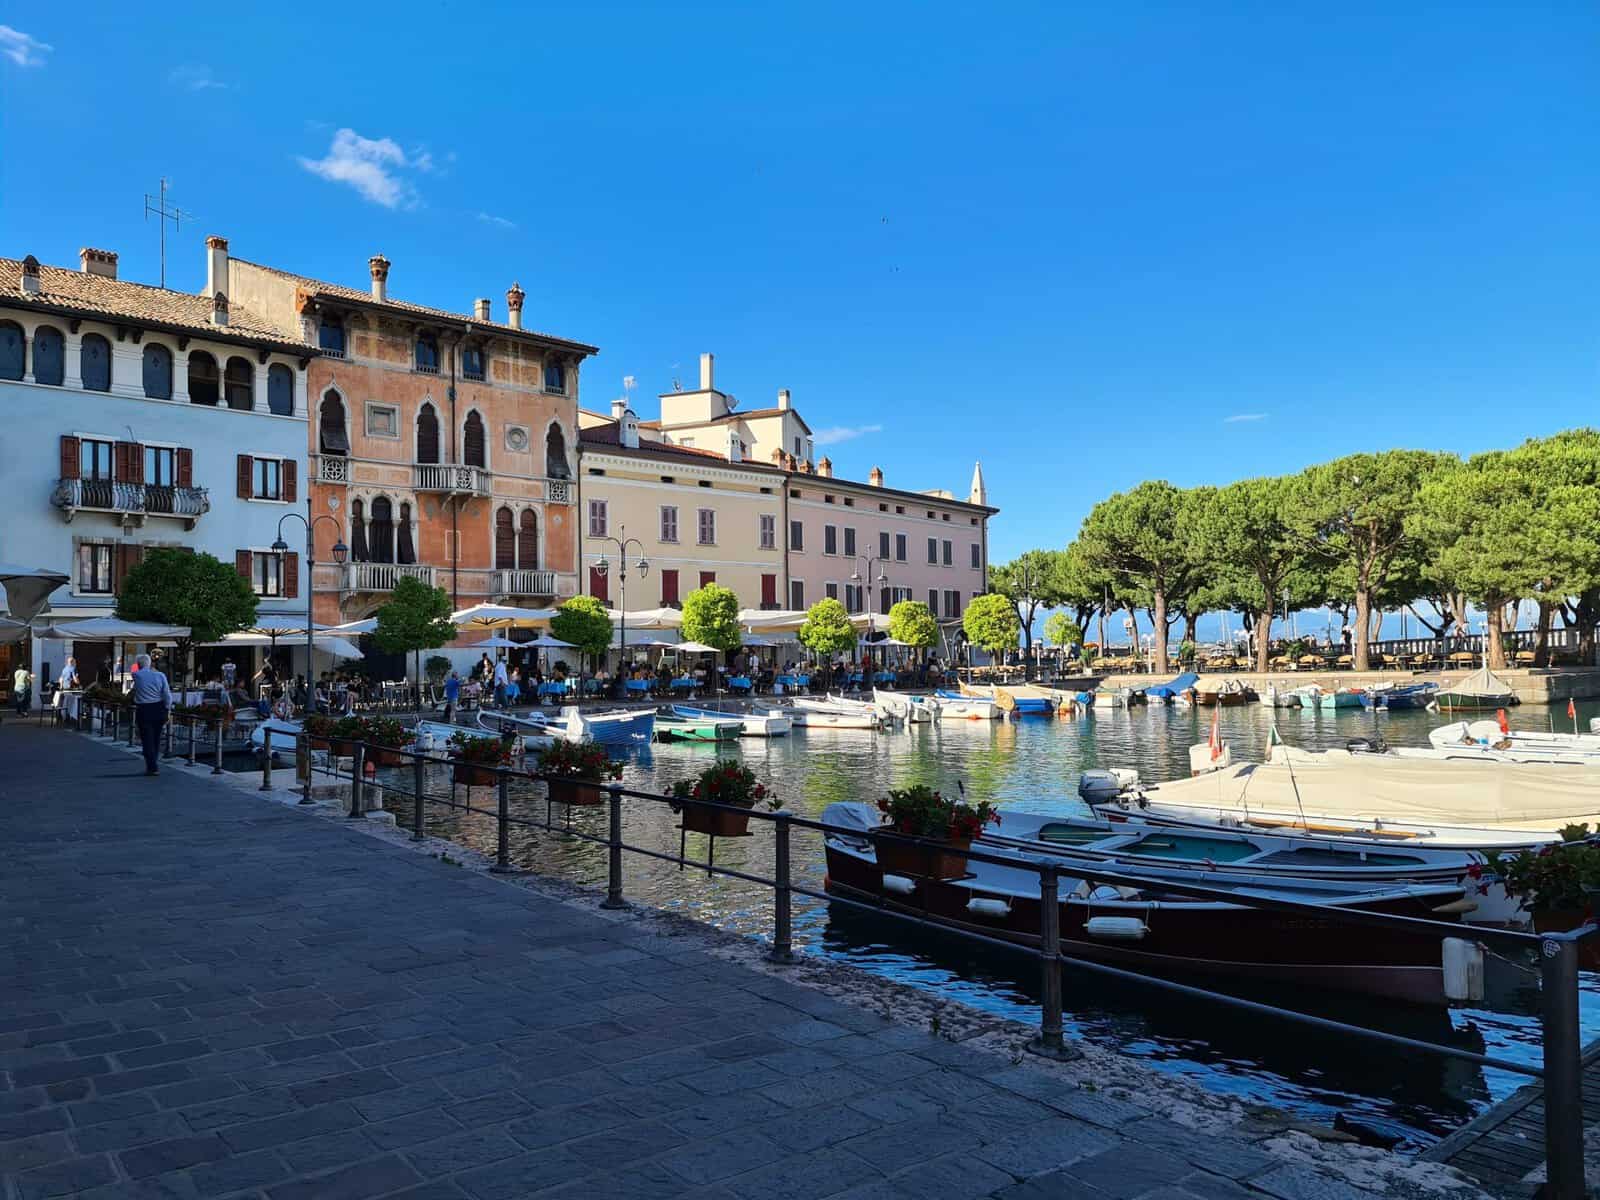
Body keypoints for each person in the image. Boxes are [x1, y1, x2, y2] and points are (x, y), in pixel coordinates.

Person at [130, 653, 173, 775]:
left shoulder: (136, 675)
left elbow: (136, 672)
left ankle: (152, 766)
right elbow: (166, 694)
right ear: (150, 663)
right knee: (156, 738)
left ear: (138, 664)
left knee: (147, 738)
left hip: (144, 709)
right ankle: (153, 762)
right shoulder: (160, 675)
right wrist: (167, 709)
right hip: (159, 708)